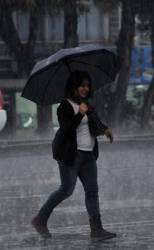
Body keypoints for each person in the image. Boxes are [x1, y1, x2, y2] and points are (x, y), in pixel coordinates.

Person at [31, 70, 116, 240]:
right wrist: (79, 114)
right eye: (81, 85)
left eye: (87, 85)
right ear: (74, 87)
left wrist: (104, 129)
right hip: (71, 155)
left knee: (92, 192)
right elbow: (66, 129)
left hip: (89, 155)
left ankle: (97, 230)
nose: (85, 88)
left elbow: (95, 123)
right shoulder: (64, 106)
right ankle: (40, 219)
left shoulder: (87, 104)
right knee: (66, 190)